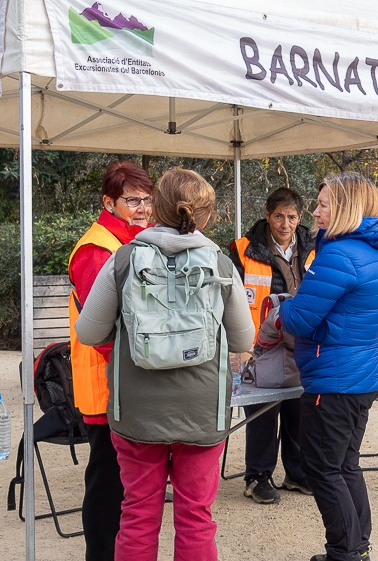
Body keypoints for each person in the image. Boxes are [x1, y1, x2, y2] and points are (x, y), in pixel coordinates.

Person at [74, 167, 255, 561]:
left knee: (137, 513)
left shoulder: (123, 260)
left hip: (136, 411)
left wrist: (123, 333)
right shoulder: (221, 265)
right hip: (202, 412)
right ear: (204, 217)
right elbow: (244, 340)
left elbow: (88, 332)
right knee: (196, 515)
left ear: (156, 207)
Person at [277, 171, 378, 561]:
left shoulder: (339, 256)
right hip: (361, 374)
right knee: (345, 466)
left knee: (324, 470)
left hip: (335, 380)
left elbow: (298, 319)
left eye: (323, 203)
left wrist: (283, 306)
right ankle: (356, 546)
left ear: (345, 207)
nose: (316, 211)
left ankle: (344, 553)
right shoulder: (372, 251)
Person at [67, 160, 152, 561]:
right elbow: (100, 326)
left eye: (148, 200)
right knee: (106, 482)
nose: (143, 208)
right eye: (133, 200)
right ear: (109, 202)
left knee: (126, 485)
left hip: (130, 380)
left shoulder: (138, 239)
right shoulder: (96, 248)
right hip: (107, 382)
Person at [228, 188, 316, 504]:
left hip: (301, 340)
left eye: (292, 217)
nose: (285, 223)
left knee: (299, 408)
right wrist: (236, 346)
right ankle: (257, 477)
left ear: (300, 218)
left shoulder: (315, 247)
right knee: (263, 409)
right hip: (256, 345)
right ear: (267, 215)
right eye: (279, 216)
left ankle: (296, 473)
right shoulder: (242, 250)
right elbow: (230, 299)